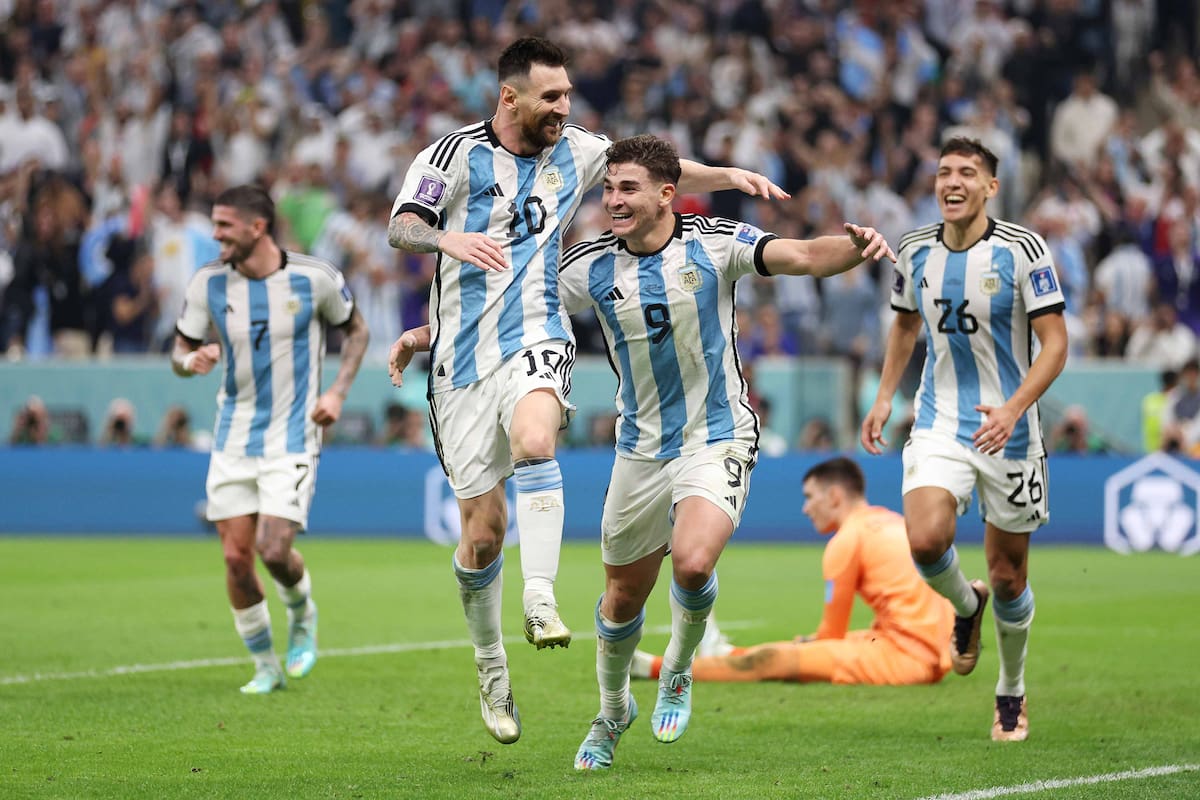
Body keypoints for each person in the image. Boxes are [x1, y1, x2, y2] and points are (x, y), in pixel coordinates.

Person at [385, 37, 787, 745]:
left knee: (537, 438)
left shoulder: (574, 149)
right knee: (482, 537)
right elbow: (402, 225)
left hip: (538, 332)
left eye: (568, 95)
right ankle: (491, 665)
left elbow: (656, 169)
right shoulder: (449, 157)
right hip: (462, 361)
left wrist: (725, 173)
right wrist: (446, 249)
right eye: (553, 97)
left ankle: (540, 594)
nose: (565, 108)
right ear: (510, 97)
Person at [861, 137, 1069, 743]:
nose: (952, 181)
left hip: (1011, 430)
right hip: (938, 421)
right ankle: (965, 605)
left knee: (1009, 576)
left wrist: (1013, 407)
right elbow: (904, 326)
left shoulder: (1023, 250)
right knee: (925, 540)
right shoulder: (914, 249)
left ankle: (1011, 690)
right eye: (944, 171)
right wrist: (883, 397)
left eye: (967, 173)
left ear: (990, 188)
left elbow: (1055, 343)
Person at [171, 185, 369, 694]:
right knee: (237, 558)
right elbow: (181, 348)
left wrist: (338, 393)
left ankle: (302, 615)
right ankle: (265, 665)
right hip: (233, 435)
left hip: (294, 434)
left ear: (256, 228)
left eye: (223, 227)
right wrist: (188, 363)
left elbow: (358, 332)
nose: (214, 236)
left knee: (274, 550)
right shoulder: (209, 283)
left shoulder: (315, 277)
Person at [630, 457, 954, 686]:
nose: (805, 508)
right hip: (928, 649)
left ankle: (655, 668)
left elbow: (832, 635)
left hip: (906, 659)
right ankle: (724, 653)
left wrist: (809, 645)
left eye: (810, 497)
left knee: (774, 660)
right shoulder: (890, 521)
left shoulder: (848, 540)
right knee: (804, 643)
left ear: (835, 496)